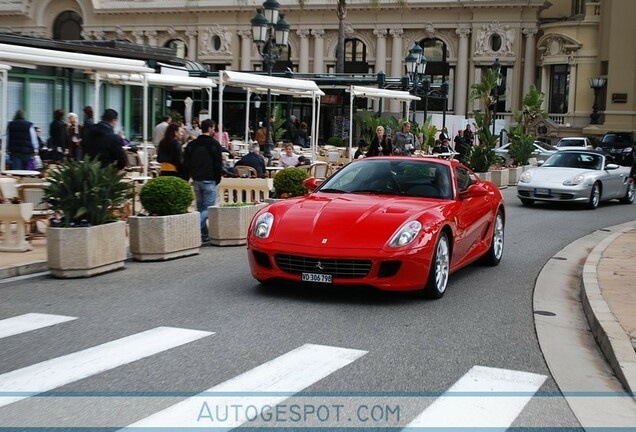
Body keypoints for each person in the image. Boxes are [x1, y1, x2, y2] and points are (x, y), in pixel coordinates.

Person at [182, 119, 224, 243]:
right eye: (214, 128)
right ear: (210, 128)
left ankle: (204, 235)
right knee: (209, 208)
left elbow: (186, 163)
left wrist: (188, 176)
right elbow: (218, 164)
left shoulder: (192, 145)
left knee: (201, 208)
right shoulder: (214, 145)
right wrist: (217, 178)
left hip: (196, 179)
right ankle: (194, 227)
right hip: (209, 179)